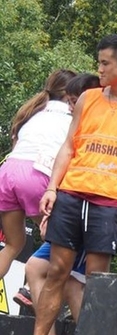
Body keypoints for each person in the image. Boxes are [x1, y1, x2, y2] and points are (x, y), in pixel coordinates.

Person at [9, 34, 117, 335]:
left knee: (97, 280)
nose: (100, 69)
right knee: (57, 270)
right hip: (71, 194)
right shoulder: (87, 99)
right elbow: (68, 146)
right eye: (99, 62)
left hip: (108, 202)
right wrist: (52, 188)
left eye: (105, 63)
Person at [12, 73, 101, 335]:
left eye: (75, 102)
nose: (71, 107)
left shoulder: (96, 125)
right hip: (63, 202)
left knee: (74, 281)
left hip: (87, 209)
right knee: (34, 268)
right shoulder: (68, 124)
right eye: (71, 101)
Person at [0, 69, 76, 280]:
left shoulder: (32, 113)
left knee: (13, 245)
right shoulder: (72, 117)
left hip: (8, 172)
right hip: (36, 173)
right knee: (62, 240)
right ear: (71, 94)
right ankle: (32, 289)